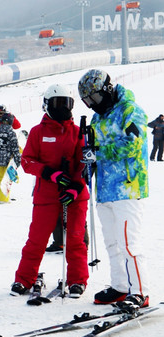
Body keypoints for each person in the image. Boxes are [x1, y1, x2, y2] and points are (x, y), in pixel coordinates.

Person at [78, 69, 150, 307]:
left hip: (128, 188)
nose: (92, 105)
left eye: (94, 99)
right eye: (88, 102)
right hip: (105, 190)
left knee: (129, 243)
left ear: (107, 90)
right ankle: (120, 286)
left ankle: (139, 291)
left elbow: (132, 144)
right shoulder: (99, 118)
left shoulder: (131, 110)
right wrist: (89, 160)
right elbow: (96, 150)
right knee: (112, 242)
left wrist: (98, 152)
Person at [11, 84, 89, 298]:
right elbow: (26, 161)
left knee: (75, 238)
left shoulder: (78, 132)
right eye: (57, 104)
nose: (62, 108)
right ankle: (23, 279)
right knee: (37, 239)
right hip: (46, 195)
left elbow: (85, 164)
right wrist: (48, 173)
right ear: (47, 105)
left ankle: (77, 280)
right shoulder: (38, 132)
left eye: (66, 103)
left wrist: (75, 187)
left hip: (75, 197)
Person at [0, 113, 21, 204]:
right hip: (8, 160)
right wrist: (17, 159)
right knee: (6, 179)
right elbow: (15, 147)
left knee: (0, 178)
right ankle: (3, 199)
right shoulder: (11, 133)